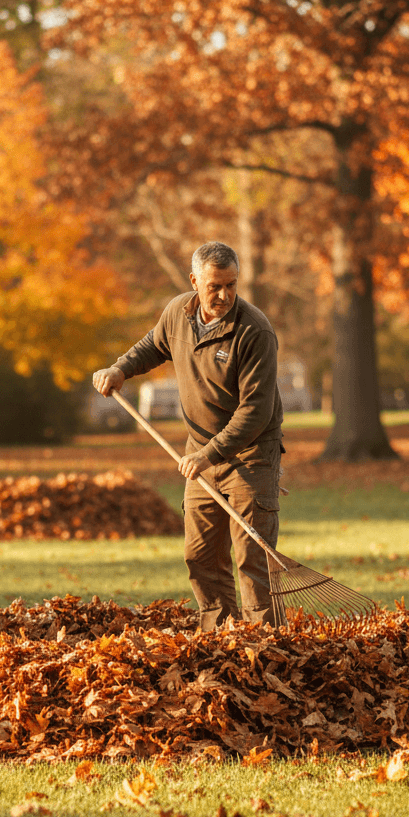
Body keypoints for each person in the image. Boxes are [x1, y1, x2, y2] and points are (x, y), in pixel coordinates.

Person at [92, 240, 284, 630]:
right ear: (194, 281)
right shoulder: (177, 313)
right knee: (201, 557)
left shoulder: (254, 331)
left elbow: (255, 412)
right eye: (215, 285)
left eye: (231, 284)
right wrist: (120, 369)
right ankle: (220, 641)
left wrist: (209, 454)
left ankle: (267, 650)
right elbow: (153, 345)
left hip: (250, 457)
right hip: (200, 455)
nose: (224, 295)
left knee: (252, 562)